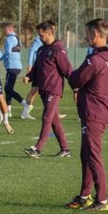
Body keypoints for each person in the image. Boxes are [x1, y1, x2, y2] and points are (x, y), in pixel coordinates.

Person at [65, 19, 108, 211]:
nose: (85, 37)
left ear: (95, 35)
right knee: (86, 154)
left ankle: (101, 200)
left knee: (93, 155)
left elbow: (75, 79)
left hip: (94, 113)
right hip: (99, 110)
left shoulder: (95, 60)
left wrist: (73, 76)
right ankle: (85, 195)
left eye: (87, 34)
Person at [22, 21, 72, 158]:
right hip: (43, 89)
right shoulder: (42, 50)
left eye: (42, 35)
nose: (40, 38)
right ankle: (65, 149)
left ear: (49, 34)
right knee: (55, 120)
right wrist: (28, 76)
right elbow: (37, 68)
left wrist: (76, 88)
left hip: (53, 90)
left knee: (47, 117)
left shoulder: (58, 50)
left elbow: (68, 71)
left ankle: (37, 148)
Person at [1, 23, 28, 115]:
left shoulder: (9, 39)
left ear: (9, 30)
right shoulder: (17, 39)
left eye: (5, 29)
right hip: (17, 66)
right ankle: (8, 110)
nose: (4, 31)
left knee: (8, 88)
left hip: (12, 66)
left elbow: (8, 52)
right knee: (9, 88)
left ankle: (24, 103)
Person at [21, 34, 43, 120]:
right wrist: (30, 65)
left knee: (36, 90)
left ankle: (25, 112)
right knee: (35, 90)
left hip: (41, 68)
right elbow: (32, 50)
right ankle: (25, 112)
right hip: (37, 68)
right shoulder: (39, 38)